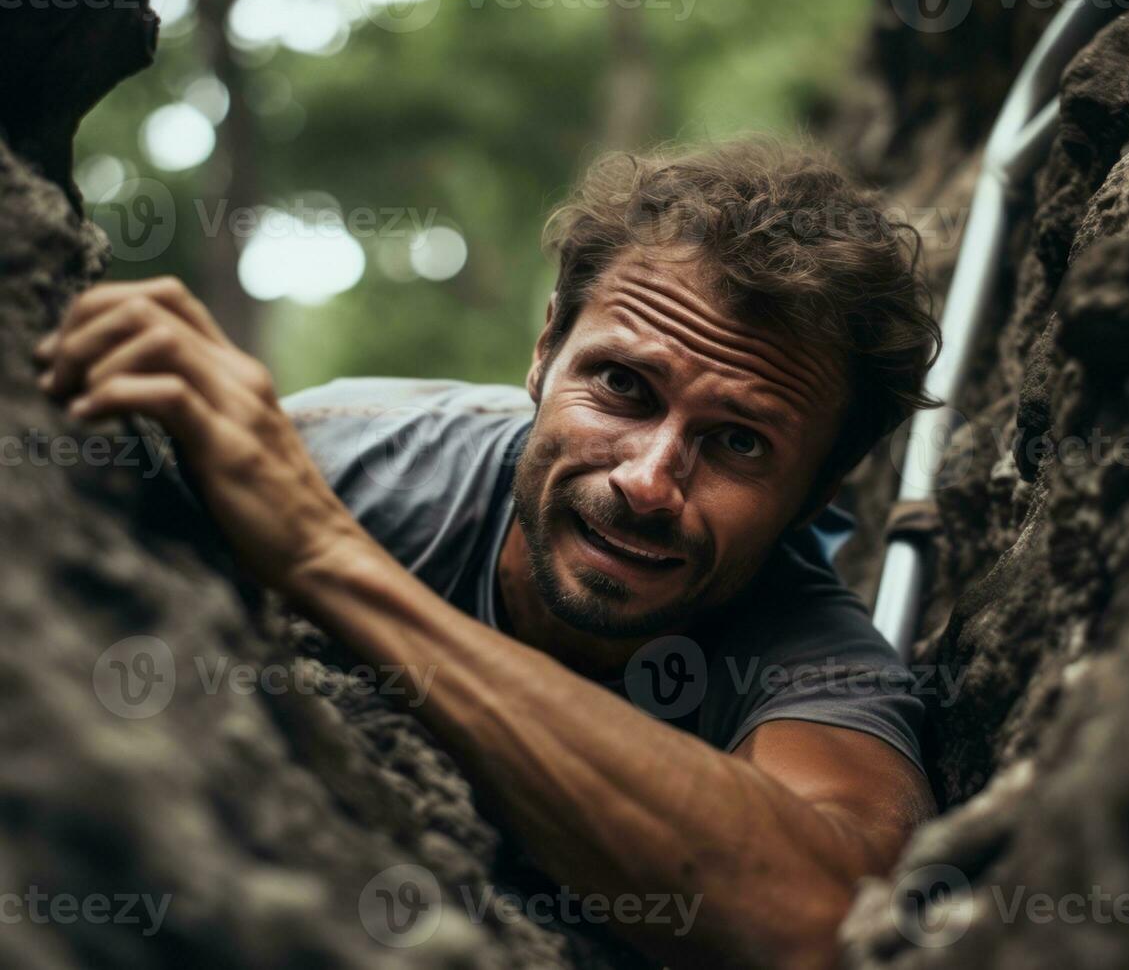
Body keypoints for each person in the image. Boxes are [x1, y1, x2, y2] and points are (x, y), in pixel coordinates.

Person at [36, 138, 942, 969]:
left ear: (818, 495)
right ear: (545, 350)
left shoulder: (810, 657)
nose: (649, 481)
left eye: (740, 442)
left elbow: (833, 918)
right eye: (622, 385)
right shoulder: (347, 459)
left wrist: (323, 557)